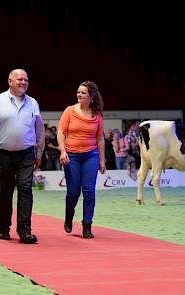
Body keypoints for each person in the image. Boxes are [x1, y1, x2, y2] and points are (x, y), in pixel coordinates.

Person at [0, 69, 45, 244]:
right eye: (20, 79)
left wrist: (38, 153)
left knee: (25, 190)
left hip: (26, 154)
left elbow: (39, 131)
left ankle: (24, 230)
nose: (24, 82)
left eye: (26, 80)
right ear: (10, 81)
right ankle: (4, 227)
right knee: (4, 192)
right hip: (3, 154)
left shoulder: (33, 103)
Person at [57, 81, 106, 239]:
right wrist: (63, 151)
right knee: (73, 192)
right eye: (78, 92)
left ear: (91, 96)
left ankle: (87, 225)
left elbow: (100, 139)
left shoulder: (97, 115)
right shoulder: (69, 111)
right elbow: (61, 132)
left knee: (89, 192)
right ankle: (69, 216)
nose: (79, 94)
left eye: (83, 93)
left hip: (91, 155)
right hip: (72, 156)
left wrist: (102, 160)